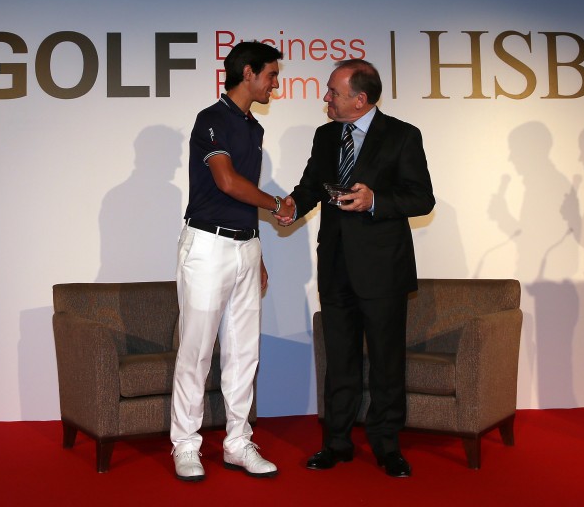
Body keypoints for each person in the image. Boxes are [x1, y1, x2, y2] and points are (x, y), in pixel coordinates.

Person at [276, 59, 434, 478]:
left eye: (333, 91)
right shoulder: (326, 136)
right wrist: (291, 206)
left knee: (385, 361)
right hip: (335, 265)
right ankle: (336, 443)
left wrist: (375, 201)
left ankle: (386, 445)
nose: (325, 98)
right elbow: (311, 185)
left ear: (360, 99)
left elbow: (422, 199)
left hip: (383, 268)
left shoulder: (402, 135)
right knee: (340, 359)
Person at [171, 41, 291, 482]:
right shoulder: (211, 119)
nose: (275, 84)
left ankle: (238, 443)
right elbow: (225, 181)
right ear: (248, 73)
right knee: (197, 351)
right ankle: (185, 444)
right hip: (206, 246)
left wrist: (255, 250)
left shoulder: (255, 129)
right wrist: (278, 203)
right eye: (271, 76)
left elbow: (244, 196)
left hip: (245, 247)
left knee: (244, 353)